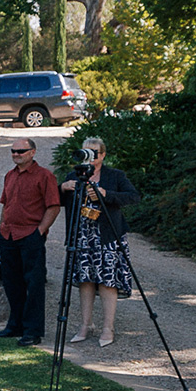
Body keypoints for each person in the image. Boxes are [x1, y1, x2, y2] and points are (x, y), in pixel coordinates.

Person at [59, 136, 140, 346]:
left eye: (95, 153)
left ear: (103, 155)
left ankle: (108, 328)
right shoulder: (74, 175)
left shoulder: (114, 176)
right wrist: (63, 187)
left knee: (107, 281)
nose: (90, 157)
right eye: (86, 152)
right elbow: (55, 201)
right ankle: (86, 325)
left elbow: (133, 197)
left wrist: (106, 194)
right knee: (85, 280)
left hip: (107, 236)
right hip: (82, 235)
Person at [0, 137, 61, 345]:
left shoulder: (44, 176)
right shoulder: (9, 176)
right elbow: (6, 204)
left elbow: (54, 206)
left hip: (30, 236)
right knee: (12, 283)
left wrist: (40, 231)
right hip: (9, 236)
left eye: (20, 151)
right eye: (13, 151)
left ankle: (33, 331)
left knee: (34, 284)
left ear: (32, 152)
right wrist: (3, 225)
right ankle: (15, 325)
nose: (16, 154)